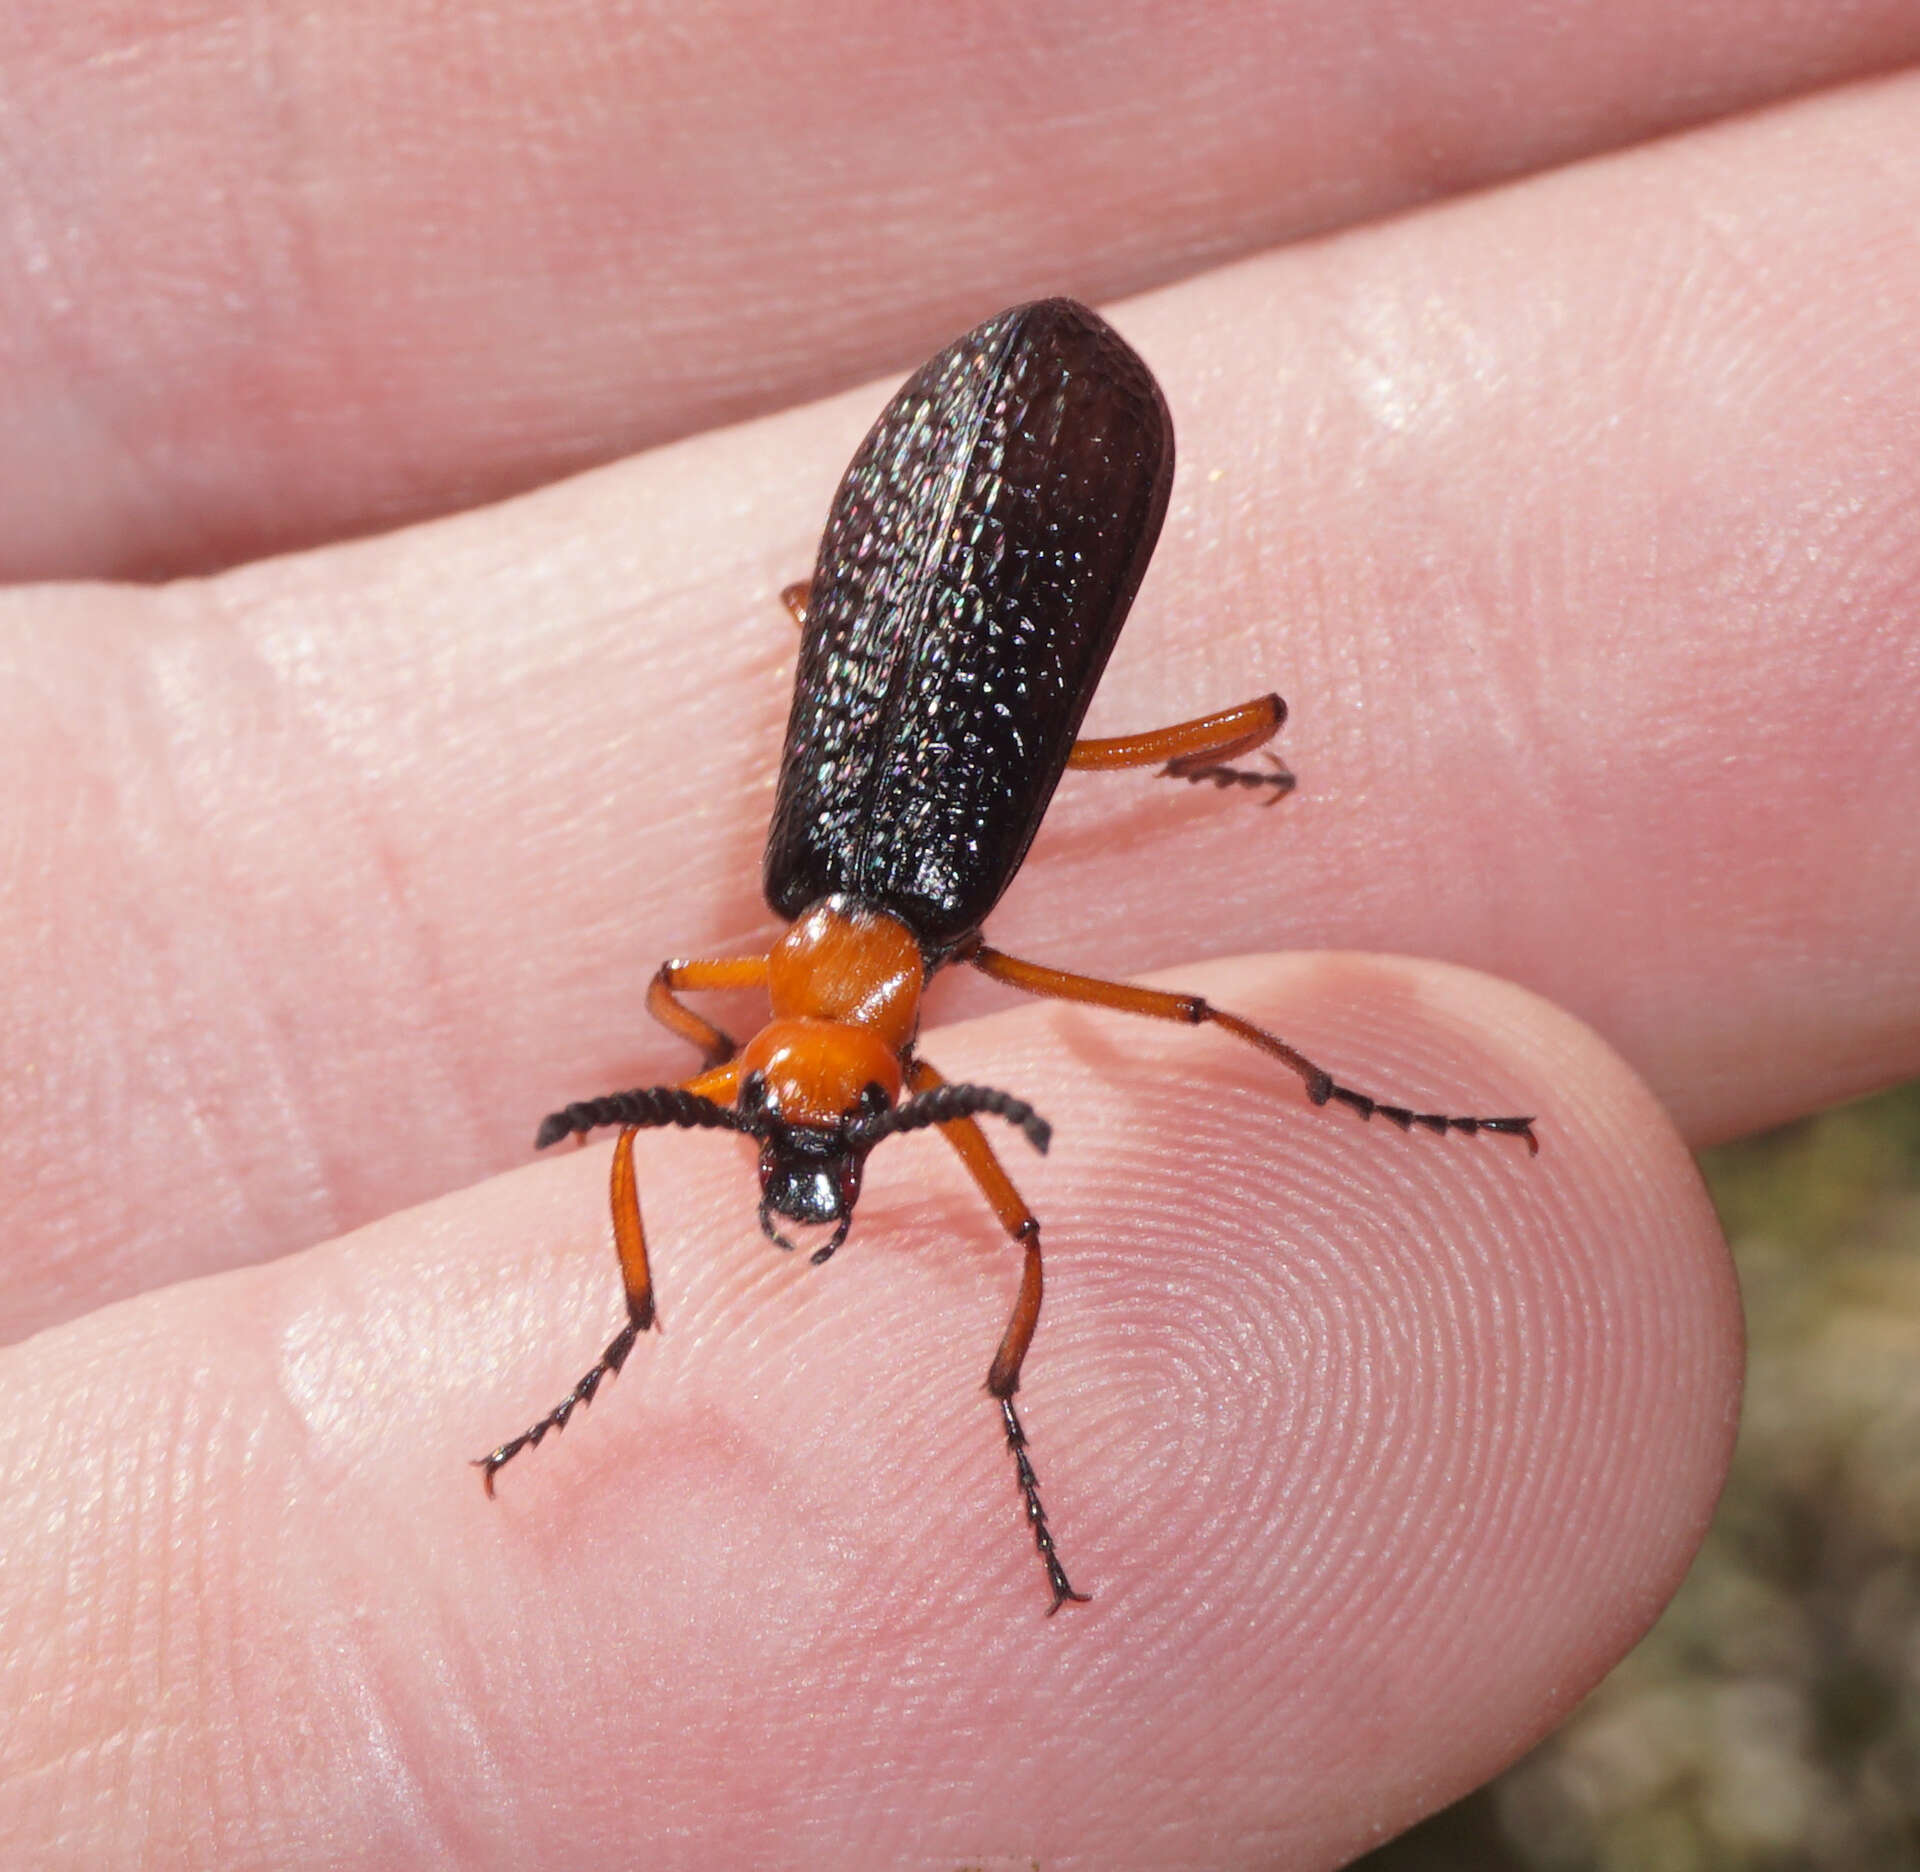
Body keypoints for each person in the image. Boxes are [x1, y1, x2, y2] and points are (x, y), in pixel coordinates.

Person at [4, 5, 1913, 1864]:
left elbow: (1008, 1016)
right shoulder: (767, 971)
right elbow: (693, 1013)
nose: (809, 1134)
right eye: (806, 1108)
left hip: (989, 521)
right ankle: (652, 1327)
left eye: (804, 1108)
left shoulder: (817, 933)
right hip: (931, 581)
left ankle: (1329, 1085)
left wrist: (1322, 1085)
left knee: (1160, 996)